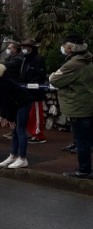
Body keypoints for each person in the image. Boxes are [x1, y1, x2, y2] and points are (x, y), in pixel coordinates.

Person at [48, 34, 93, 179]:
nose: (62, 48)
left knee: (82, 141)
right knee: (88, 140)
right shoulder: (88, 60)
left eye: (64, 45)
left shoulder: (73, 64)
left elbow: (54, 80)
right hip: (88, 104)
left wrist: (54, 75)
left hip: (78, 107)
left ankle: (84, 170)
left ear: (70, 48)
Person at [0, 61, 34, 169]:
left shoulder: (0, 81)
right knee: (15, 130)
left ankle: (22, 158)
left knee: (20, 129)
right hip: (17, 103)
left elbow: (7, 100)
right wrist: (4, 115)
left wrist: (10, 117)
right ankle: (13, 156)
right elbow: (1, 100)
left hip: (22, 103)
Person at [19, 39, 48, 144]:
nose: (23, 49)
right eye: (23, 47)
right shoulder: (24, 59)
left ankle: (39, 135)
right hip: (26, 92)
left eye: (26, 47)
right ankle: (33, 133)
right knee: (29, 116)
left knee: (36, 115)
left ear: (31, 48)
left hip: (35, 93)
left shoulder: (38, 59)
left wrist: (32, 84)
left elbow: (40, 75)